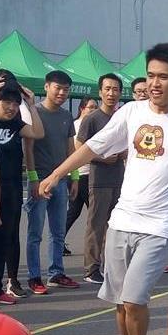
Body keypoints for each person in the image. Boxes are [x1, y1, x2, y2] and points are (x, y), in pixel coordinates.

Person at [39, 42, 168, 335]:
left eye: (164, 77)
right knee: (119, 301)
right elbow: (93, 146)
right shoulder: (131, 112)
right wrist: (57, 174)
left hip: (160, 226)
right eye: (150, 76)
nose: (155, 83)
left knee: (134, 299)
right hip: (122, 220)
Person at [0, 72, 43, 304]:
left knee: (5, 239)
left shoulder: (16, 123)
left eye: (16, 103)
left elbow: (37, 133)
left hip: (12, 188)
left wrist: (31, 105)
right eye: (7, 102)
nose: (12, 107)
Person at [24, 70, 81, 295]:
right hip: (39, 181)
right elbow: (28, 148)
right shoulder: (34, 112)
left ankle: (56, 272)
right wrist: (33, 179)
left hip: (61, 182)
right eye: (58, 88)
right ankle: (34, 277)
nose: (62, 93)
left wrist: (74, 177)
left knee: (58, 232)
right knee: (35, 233)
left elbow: (70, 149)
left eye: (66, 90)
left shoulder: (66, 116)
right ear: (47, 87)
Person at [76, 73, 125, 284]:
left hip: (120, 179)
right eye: (107, 89)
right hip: (99, 180)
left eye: (115, 89)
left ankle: (111, 266)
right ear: (100, 92)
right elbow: (79, 147)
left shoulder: (121, 117)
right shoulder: (92, 119)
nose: (111, 93)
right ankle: (91, 269)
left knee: (116, 227)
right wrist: (101, 158)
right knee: (96, 226)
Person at [63, 96, 98, 255]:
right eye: (90, 107)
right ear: (82, 109)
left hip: (87, 173)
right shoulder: (78, 125)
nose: (93, 110)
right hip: (81, 174)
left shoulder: (93, 125)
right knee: (95, 213)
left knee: (75, 211)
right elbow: (77, 151)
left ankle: (59, 240)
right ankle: (96, 247)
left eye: (95, 107)